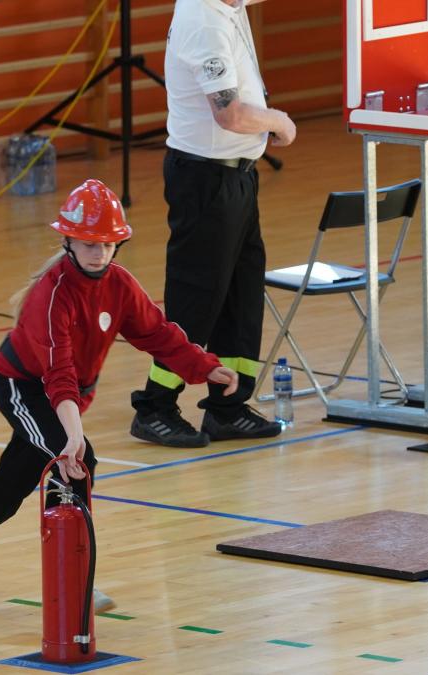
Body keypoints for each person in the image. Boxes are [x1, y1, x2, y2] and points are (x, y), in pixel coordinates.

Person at [0, 179, 240, 607]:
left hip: (66, 395)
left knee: (13, 483)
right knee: (74, 463)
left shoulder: (119, 284)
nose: (98, 253)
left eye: (107, 244)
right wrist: (72, 436)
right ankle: (73, 579)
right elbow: (58, 374)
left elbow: (157, 333)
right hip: (24, 387)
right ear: (67, 240)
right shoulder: (52, 296)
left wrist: (204, 366)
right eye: (88, 243)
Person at [129, 0, 296, 448]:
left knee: (241, 295)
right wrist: (278, 121)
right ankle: (155, 407)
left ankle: (228, 407)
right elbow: (230, 114)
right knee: (195, 299)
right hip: (205, 179)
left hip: (237, 175)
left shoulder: (227, 5)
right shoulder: (204, 20)